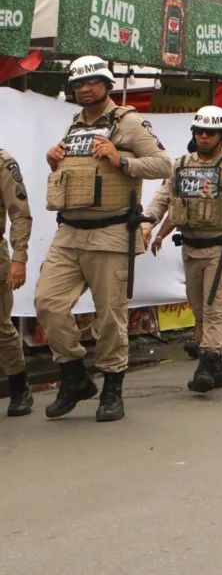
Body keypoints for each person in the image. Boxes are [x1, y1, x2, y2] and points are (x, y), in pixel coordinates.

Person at [37, 55, 173, 422]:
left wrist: (122, 160)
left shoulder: (128, 123)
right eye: (78, 84)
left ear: (107, 84)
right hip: (69, 233)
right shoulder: (74, 124)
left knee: (110, 316)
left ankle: (112, 386)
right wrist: (55, 161)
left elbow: (164, 164)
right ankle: (75, 375)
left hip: (111, 233)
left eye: (91, 82)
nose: (84, 88)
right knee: (47, 303)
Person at [144, 107, 222, 393]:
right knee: (198, 307)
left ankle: (206, 361)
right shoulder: (181, 165)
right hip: (190, 248)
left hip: (221, 249)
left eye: (209, 132)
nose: (203, 136)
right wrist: (150, 224)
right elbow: (163, 199)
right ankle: (218, 367)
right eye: (199, 131)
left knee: (213, 306)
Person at [0, 148, 31, 416]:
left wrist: (18, 258)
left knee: (0, 326)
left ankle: (20, 389)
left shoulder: (3, 163)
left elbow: (19, 213)